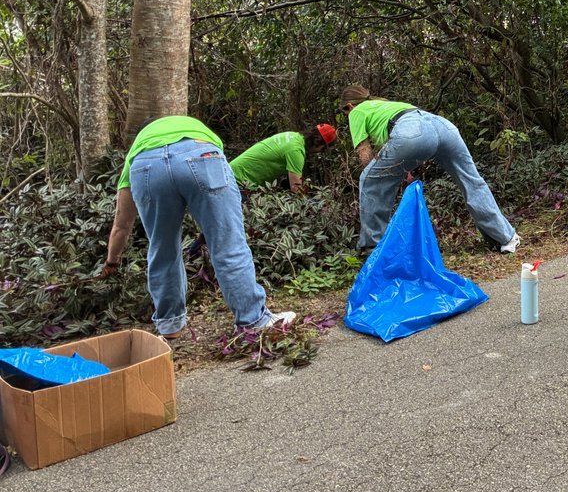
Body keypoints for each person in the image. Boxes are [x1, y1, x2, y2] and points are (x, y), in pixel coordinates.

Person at [101, 116, 295, 339]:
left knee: (162, 249)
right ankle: (253, 320)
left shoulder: (137, 152)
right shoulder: (191, 126)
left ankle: (170, 325)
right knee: (227, 241)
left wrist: (112, 262)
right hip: (201, 152)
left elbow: (121, 225)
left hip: (146, 168)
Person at [341, 86, 520, 254]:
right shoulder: (385, 104)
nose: (347, 115)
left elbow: (365, 155)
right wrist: (405, 170)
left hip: (412, 132)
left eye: (345, 111)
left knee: (369, 178)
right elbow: (403, 142)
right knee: (471, 181)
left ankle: (373, 248)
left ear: (349, 106)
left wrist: (374, 173)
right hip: (442, 126)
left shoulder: (356, 111)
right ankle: (505, 237)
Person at [230, 124, 337, 193]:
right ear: (317, 142)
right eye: (322, 149)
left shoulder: (293, 136)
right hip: (239, 182)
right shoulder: (295, 150)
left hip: (231, 173)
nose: (319, 152)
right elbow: (296, 188)